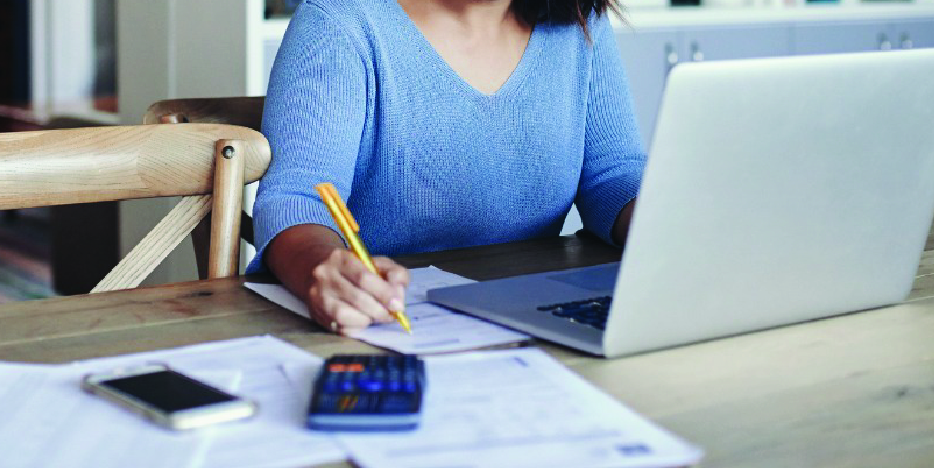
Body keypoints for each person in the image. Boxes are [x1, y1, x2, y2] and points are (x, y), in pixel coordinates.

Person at [250, 0, 644, 335]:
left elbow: (611, 175)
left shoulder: (579, 22)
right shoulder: (339, 22)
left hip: (532, 321)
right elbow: (298, 199)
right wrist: (324, 268)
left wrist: (669, 223)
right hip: (381, 327)